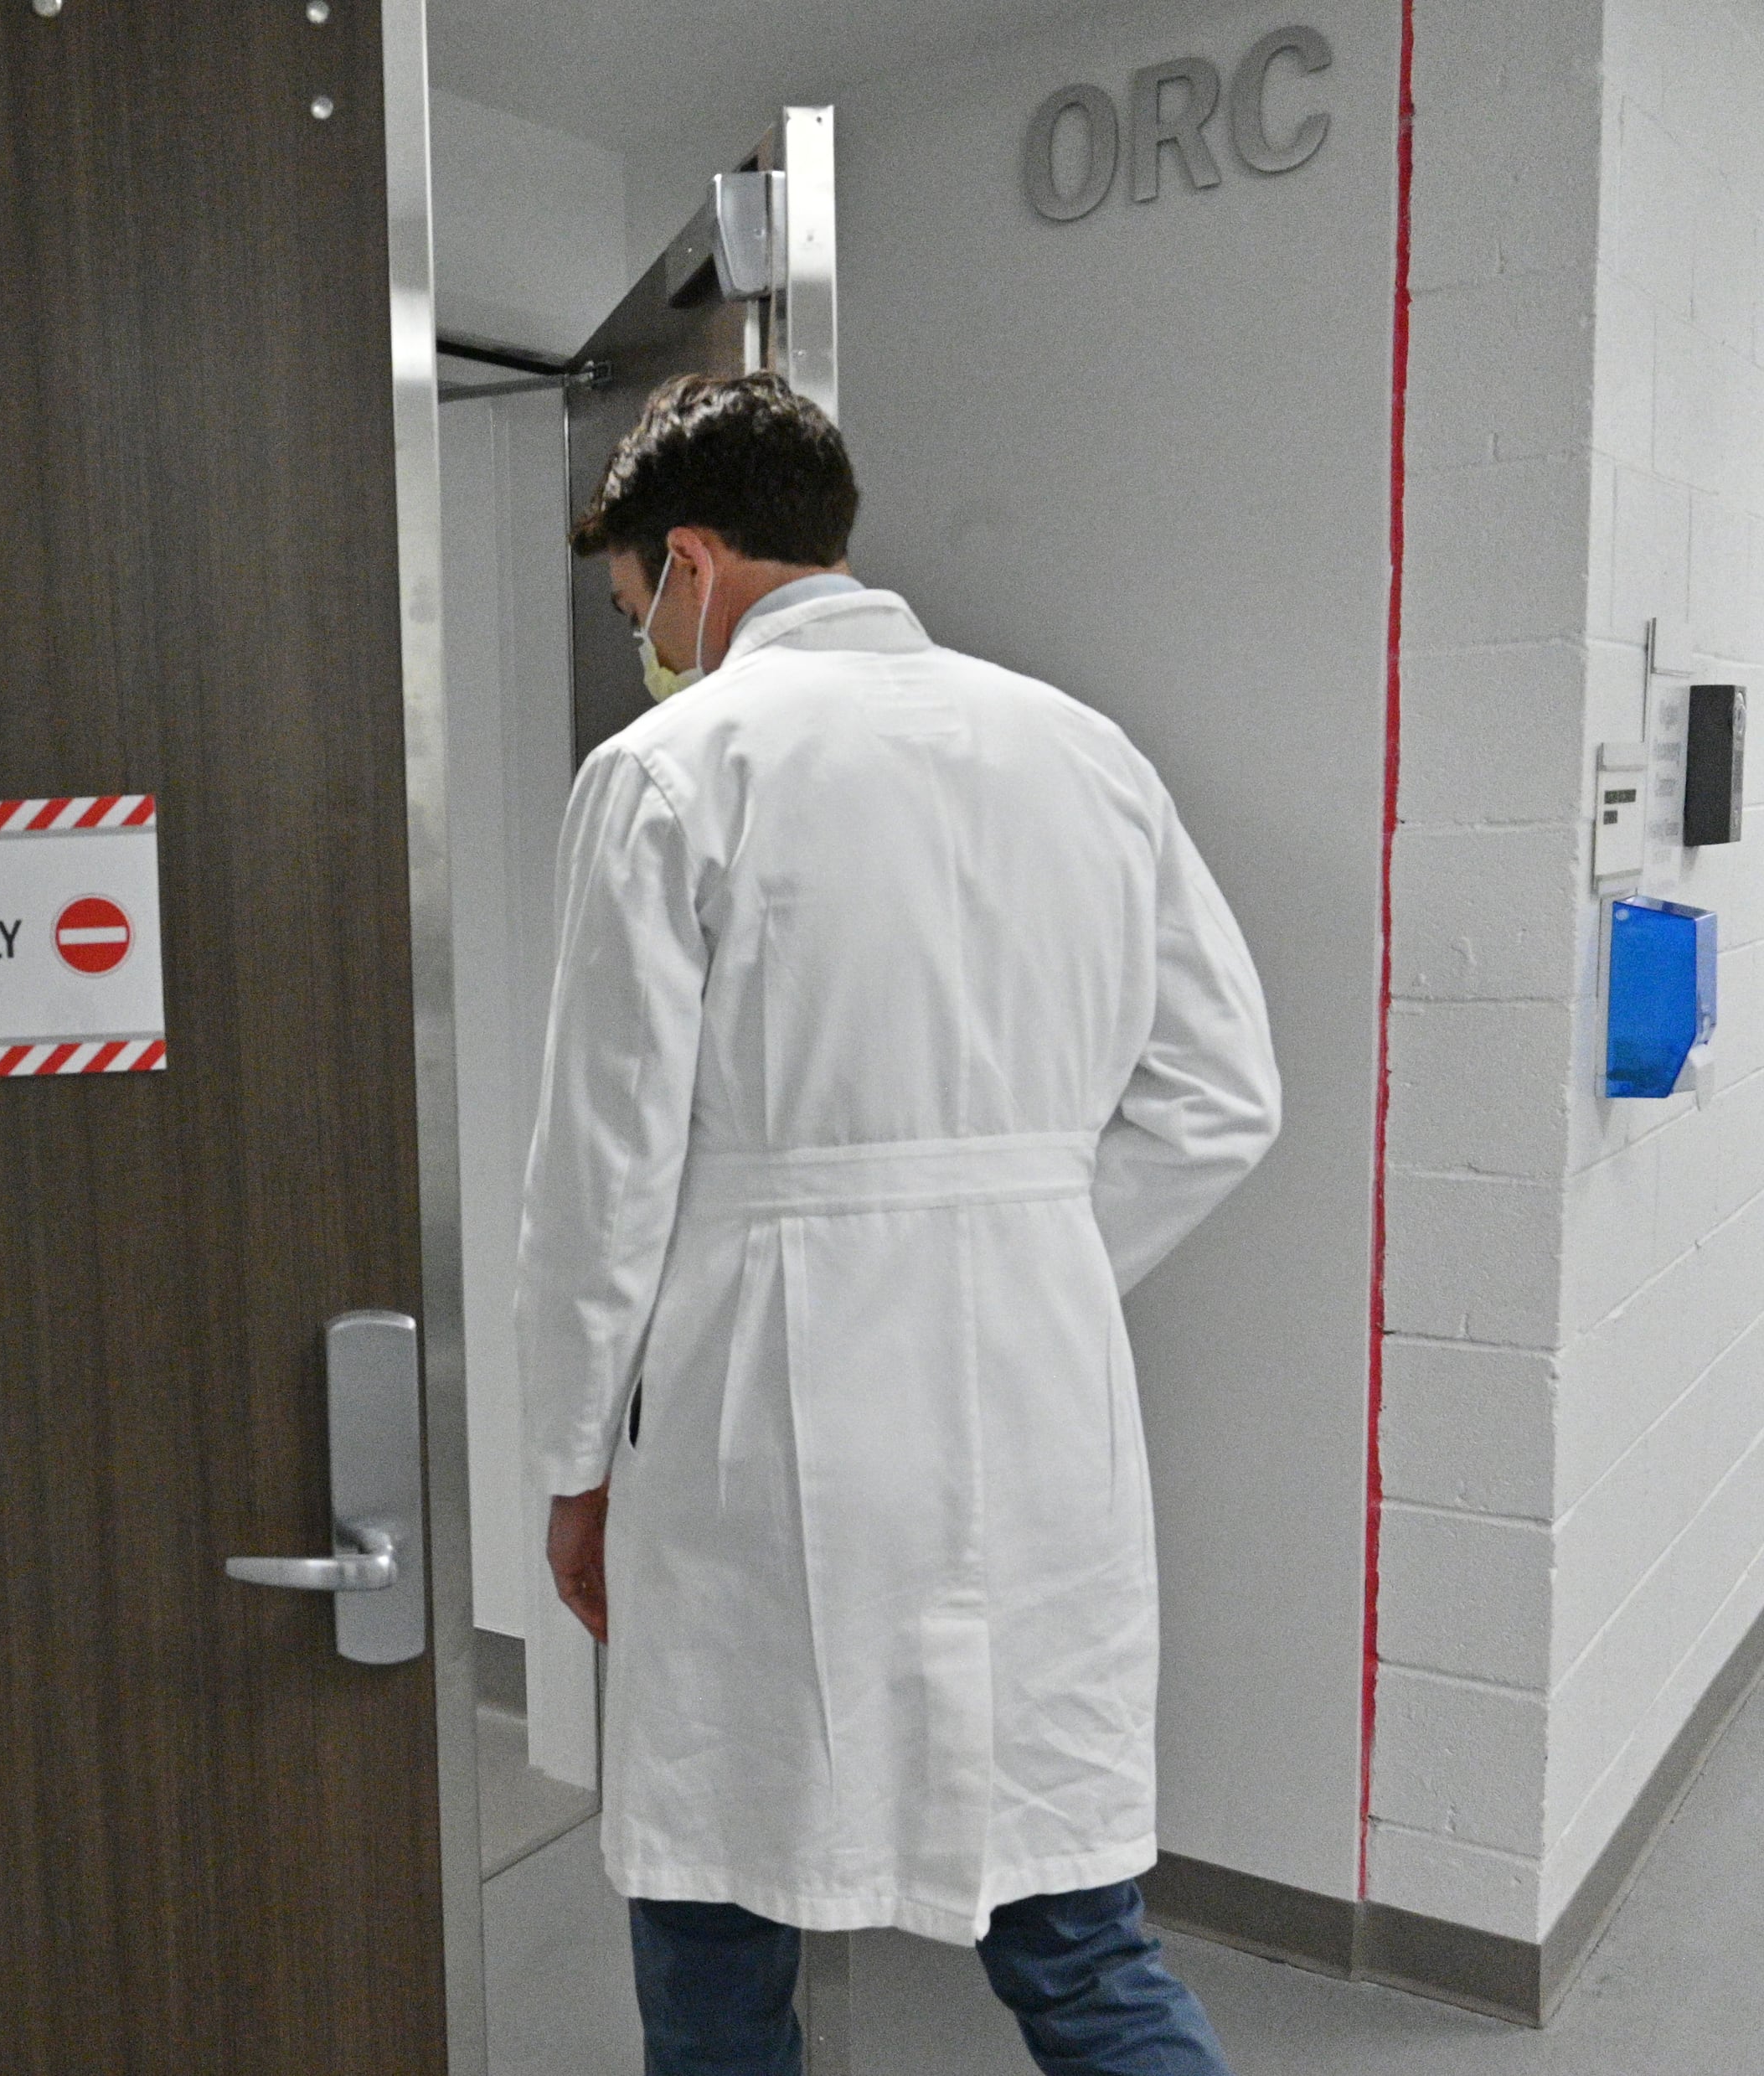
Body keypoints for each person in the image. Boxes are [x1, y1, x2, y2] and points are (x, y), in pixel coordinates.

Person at [513, 370, 1279, 2076]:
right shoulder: (1083, 752)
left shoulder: (668, 772)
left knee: (716, 1927)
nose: (656, 642)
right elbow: (1226, 1097)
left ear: (692, 562)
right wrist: (1036, 1248)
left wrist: (572, 1466)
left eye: (645, 607)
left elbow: (600, 1178)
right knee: (1079, 1941)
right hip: (1036, 1414)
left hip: (759, 1426)